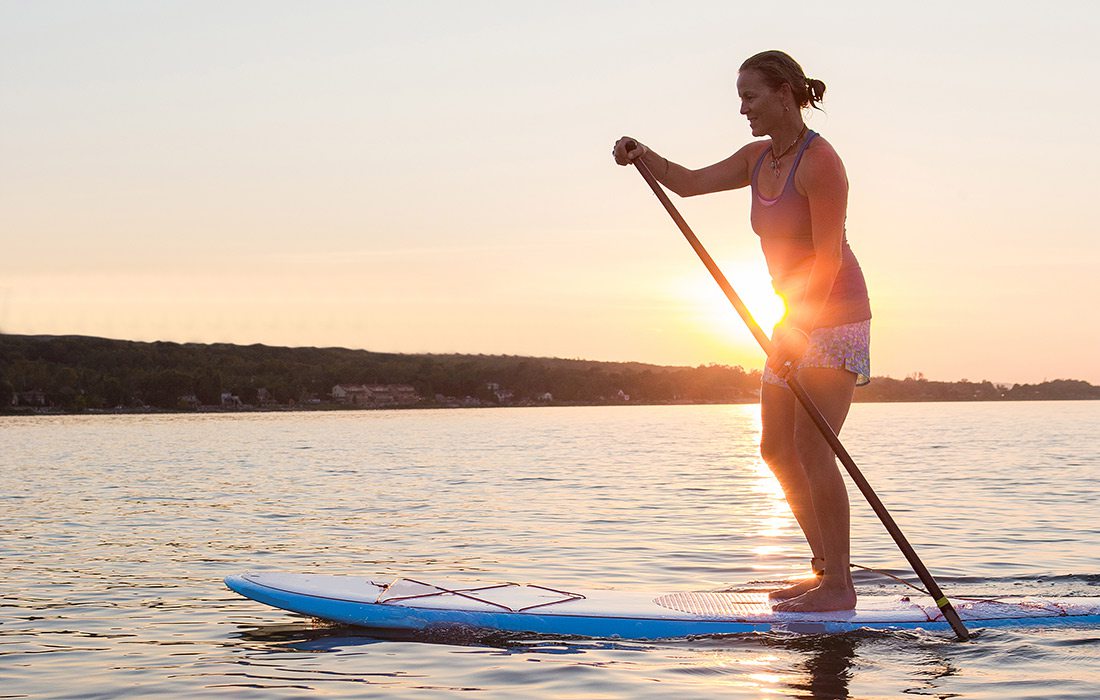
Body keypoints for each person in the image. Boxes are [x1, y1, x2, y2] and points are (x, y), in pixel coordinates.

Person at [613, 50, 872, 612]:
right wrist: (643, 154)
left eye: (750, 96)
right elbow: (686, 183)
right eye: (739, 97)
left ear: (785, 93)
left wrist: (800, 331)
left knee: (813, 445)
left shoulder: (821, 162)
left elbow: (826, 260)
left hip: (835, 315)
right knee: (777, 449)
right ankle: (824, 569)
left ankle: (840, 587)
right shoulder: (757, 158)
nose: (742, 108)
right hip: (792, 320)